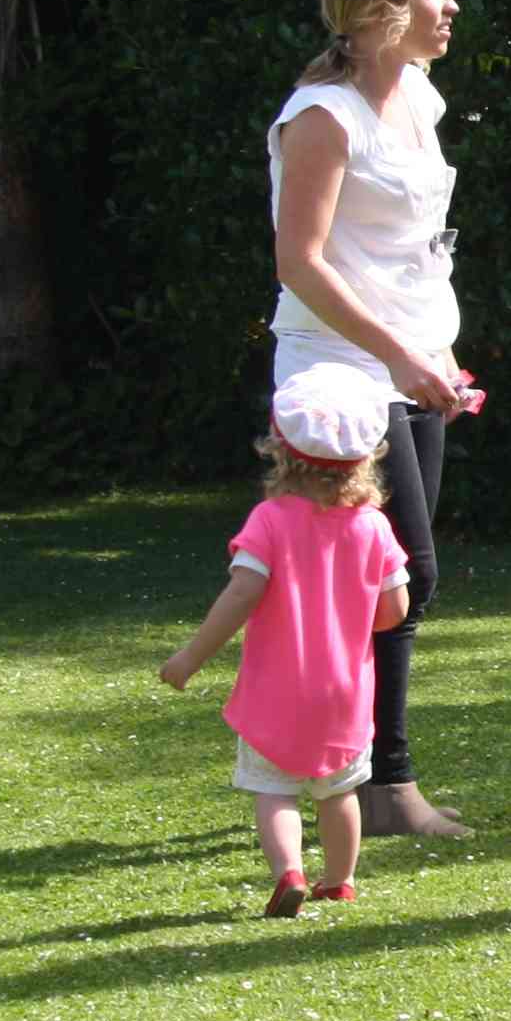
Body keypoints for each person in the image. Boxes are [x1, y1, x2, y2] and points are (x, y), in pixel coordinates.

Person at [267, 0, 476, 840]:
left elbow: (412, 246)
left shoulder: (419, 96)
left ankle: (333, 770)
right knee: (399, 574)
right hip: (341, 374)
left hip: (413, 365)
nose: (450, 7)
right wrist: (398, 354)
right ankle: (382, 786)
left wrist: (436, 355)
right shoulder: (322, 116)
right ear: (378, 7)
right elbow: (301, 262)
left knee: (393, 582)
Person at [158, 366, 413, 918]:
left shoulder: (270, 521)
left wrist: (190, 658)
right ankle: (339, 880)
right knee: (338, 792)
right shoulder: (373, 526)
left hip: (275, 694)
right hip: (344, 695)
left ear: (280, 450)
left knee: (274, 790)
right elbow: (395, 611)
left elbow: (240, 594)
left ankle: (290, 873)